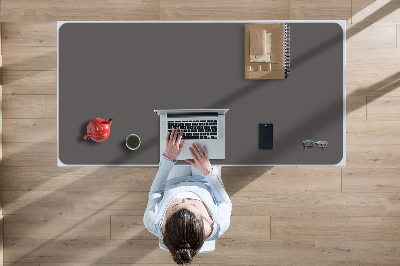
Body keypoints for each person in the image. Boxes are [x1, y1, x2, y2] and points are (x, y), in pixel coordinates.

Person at [143, 127, 232, 264]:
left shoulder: (153, 222)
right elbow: (224, 202)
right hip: (205, 180)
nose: (184, 198)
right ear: (203, 223)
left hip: (174, 180)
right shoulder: (219, 224)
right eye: (192, 204)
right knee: (209, 134)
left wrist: (167, 160)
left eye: (176, 206)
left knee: (174, 141)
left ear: (166, 224)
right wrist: (208, 171)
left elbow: (156, 192)